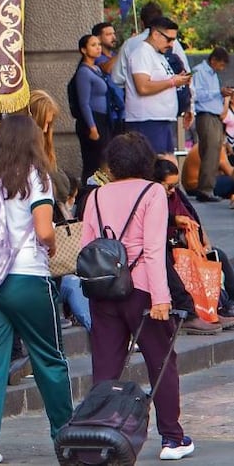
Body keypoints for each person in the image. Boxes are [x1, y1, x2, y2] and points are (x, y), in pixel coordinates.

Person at [0, 115, 73, 466]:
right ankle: (66, 437)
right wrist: (53, 243)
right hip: (26, 277)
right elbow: (43, 230)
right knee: (49, 359)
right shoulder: (36, 177)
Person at [79, 132, 196, 461]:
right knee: (161, 362)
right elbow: (155, 249)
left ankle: (100, 437)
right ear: (146, 162)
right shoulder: (153, 192)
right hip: (143, 288)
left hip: (103, 290)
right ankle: (172, 438)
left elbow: (88, 247)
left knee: (105, 366)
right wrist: (162, 298)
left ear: (112, 164)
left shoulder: (97, 195)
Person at [153, 160, 234, 330]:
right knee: (185, 266)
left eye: (175, 185)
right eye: (168, 186)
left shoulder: (175, 196)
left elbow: (192, 218)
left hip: (183, 245)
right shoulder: (152, 199)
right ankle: (197, 312)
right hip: (167, 248)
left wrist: (203, 242)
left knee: (217, 255)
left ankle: (220, 307)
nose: (172, 190)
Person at [119, 17, 193, 156]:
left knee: (165, 168)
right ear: (155, 34)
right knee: (153, 168)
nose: (171, 44)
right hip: (147, 121)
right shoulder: (142, 53)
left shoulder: (158, 54)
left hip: (161, 119)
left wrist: (179, 81)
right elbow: (143, 87)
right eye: (169, 39)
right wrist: (172, 82)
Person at [190, 47, 233, 202]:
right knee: (211, 152)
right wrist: (218, 93)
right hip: (206, 115)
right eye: (221, 65)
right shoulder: (200, 72)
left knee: (213, 152)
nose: (222, 69)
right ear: (213, 60)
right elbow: (197, 95)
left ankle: (207, 186)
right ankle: (205, 189)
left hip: (214, 116)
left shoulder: (213, 74)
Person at [73, 34, 111, 182]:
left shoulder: (96, 68)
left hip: (103, 118)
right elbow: (84, 102)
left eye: (99, 44)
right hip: (93, 120)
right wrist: (92, 127)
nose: (98, 48)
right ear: (83, 49)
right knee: (93, 162)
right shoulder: (83, 72)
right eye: (93, 45)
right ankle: (88, 193)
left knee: (103, 159)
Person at [92, 21, 125, 134]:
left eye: (113, 34)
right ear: (98, 38)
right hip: (106, 112)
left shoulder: (115, 56)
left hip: (120, 109)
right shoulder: (97, 57)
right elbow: (106, 69)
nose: (114, 37)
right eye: (108, 34)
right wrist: (123, 51)